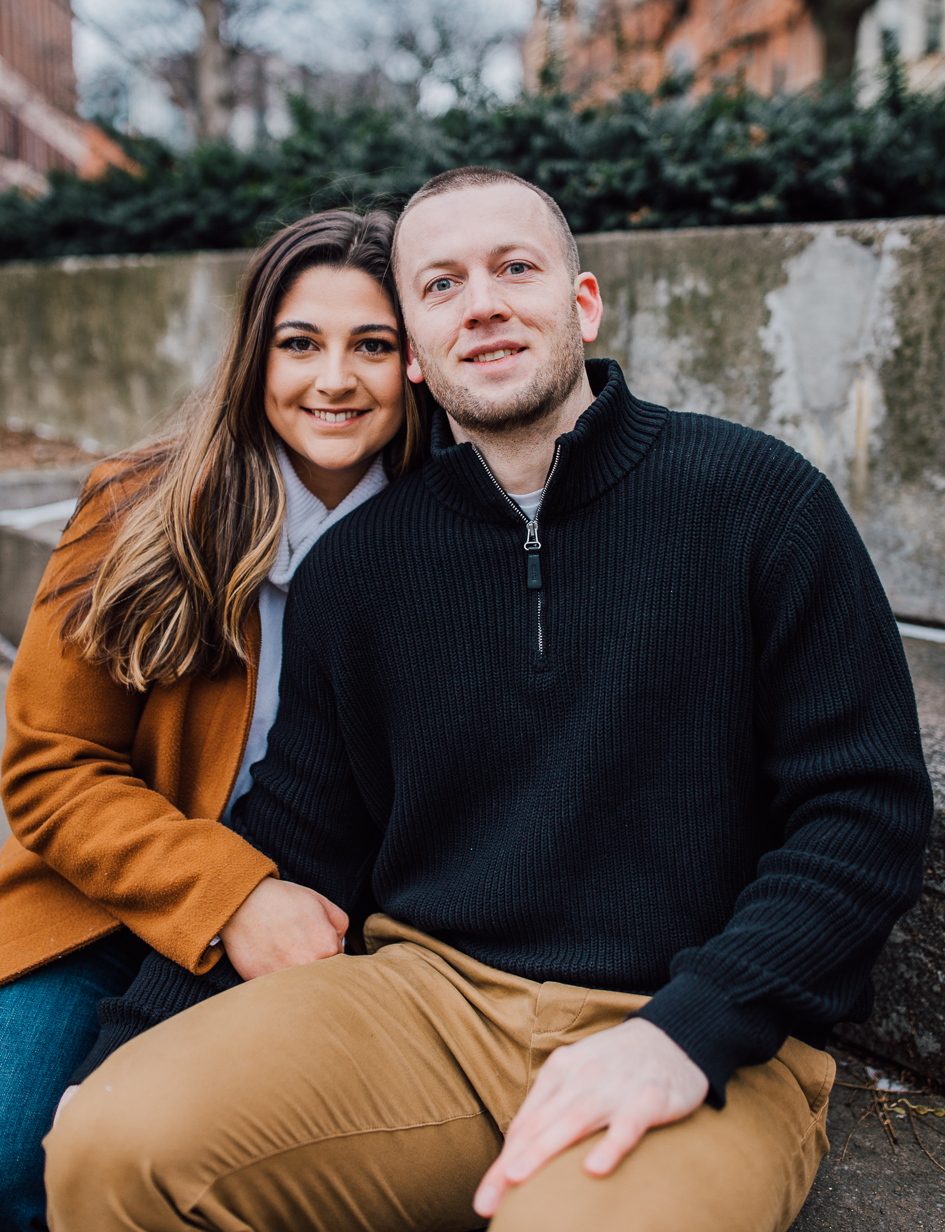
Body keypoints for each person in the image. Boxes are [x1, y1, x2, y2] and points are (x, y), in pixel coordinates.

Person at [45, 167, 932, 1232]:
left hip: (692, 1020)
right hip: (425, 1002)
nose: (485, 303)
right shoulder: (361, 568)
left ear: (583, 299)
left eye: (517, 267)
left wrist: (692, 1026)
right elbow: (300, 831)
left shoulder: (757, 499)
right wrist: (128, 1046)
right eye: (442, 283)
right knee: (109, 1142)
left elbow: (863, 810)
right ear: (416, 349)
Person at [0, 208, 428, 1232]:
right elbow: (52, 767)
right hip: (117, 900)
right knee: (18, 1159)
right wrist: (232, 894)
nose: (335, 378)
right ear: (253, 355)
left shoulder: (454, 526)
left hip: (354, 926)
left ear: (415, 361)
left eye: (372, 343)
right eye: (299, 343)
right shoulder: (141, 506)